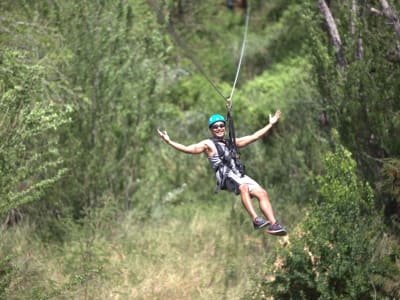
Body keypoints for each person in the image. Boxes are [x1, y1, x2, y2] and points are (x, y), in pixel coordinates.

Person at [157, 110, 286, 236]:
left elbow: (254, 137)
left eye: (221, 125)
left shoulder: (231, 142)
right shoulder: (208, 144)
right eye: (215, 127)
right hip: (225, 176)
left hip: (238, 174)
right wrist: (169, 142)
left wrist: (270, 124)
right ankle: (255, 219)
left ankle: (274, 225)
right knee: (243, 187)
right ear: (211, 129)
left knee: (262, 193)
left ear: (225, 127)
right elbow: (188, 149)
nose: (219, 128)